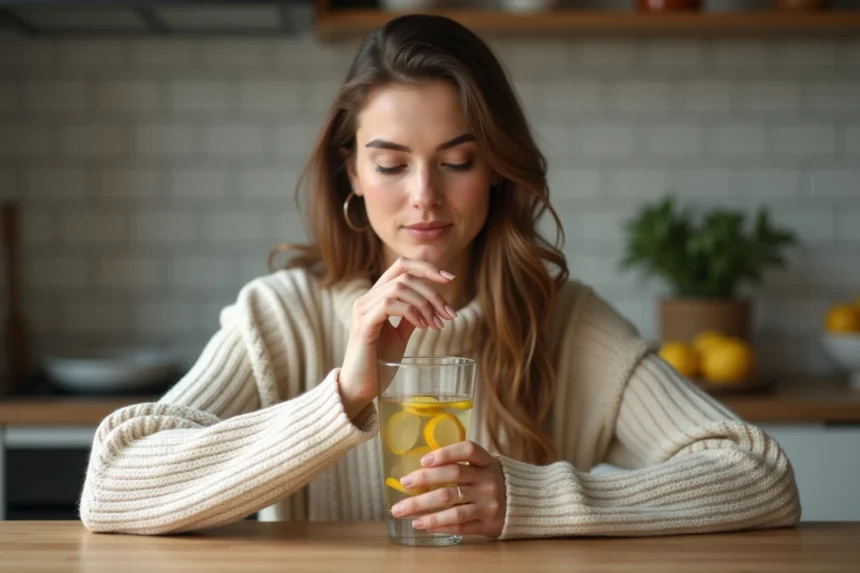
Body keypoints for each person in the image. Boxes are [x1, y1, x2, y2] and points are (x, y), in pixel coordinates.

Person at [79, 14, 800, 538]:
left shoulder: (566, 320)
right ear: (351, 172)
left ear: (497, 173)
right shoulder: (283, 316)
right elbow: (111, 486)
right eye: (391, 164)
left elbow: (760, 475)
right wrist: (348, 393)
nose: (423, 195)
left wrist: (531, 500)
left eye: (457, 161)